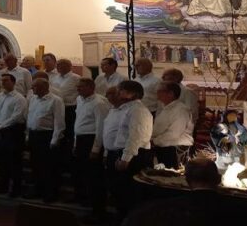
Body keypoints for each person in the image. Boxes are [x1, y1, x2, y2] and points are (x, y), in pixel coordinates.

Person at [106, 81, 153, 220]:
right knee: (119, 191)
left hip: (134, 156)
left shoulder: (137, 110)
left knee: (129, 193)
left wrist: (125, 158)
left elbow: (136, 136)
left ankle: (129, 220)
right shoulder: (127, 108)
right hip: (124, 152)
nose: (118, 93)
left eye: (121, 90)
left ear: (132, 93)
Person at [0, 73, 27, 197]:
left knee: (14, 162)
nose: (3, 83)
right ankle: (2, 186)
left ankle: (16, 189)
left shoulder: (19, 98)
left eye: (6, 80)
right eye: (2, 80)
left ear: (13, 82)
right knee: (1, 160)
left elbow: (16, 116)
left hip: (12, 131)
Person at [26, 77, 65, 202]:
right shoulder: (33, 99)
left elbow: (59, 122)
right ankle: (38, 190)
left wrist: (54, 140)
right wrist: (27, 135)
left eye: (35, 86)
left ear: (44, 87)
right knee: (36, 166)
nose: (32, 89)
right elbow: (30, 117)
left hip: (46, 136)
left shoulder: (55, 100)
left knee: (49, 168)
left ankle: (51, 193)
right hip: (34, 135)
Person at [73, 77, 109, 206]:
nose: (78, 88)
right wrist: (75, 142)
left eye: (81, 86)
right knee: (81, 172)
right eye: (78, 86)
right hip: (81, 139)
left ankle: (97, 207)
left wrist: (96, 148)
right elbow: (79, 121)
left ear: (91, 88)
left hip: (91, 140)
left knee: (94, 176)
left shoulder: (99, 103)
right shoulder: (79, 99)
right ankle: (84, 199)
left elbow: (101, 127)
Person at [151, 82, 194, 169]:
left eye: (160, 91)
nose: (157, 93)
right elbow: (158, 129)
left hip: (175, 149)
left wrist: (154, 141)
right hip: (163, 145)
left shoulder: (181, 110)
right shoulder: (165, 108)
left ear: (170, 94)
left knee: (170, 176)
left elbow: (174, 134)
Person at [50, 58, 81, 155]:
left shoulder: (76, 78)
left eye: (60, 65)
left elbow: (80, 93)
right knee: (58, 129)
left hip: (70, 108)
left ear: (68, 66)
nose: (58, 67)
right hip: (56, 107)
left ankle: (69, 152)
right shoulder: (55, 77)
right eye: (57, 65)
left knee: (69, 132)